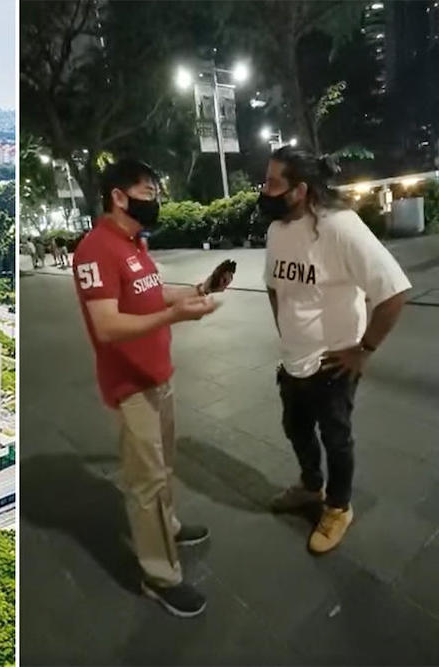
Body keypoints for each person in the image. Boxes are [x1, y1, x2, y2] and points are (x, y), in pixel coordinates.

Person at [72, 158, 235, 618]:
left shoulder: (133, 244)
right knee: (145, 480)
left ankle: (170, 524)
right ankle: (160, 576)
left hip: (158, 374)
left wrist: (195, 291)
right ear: (118, 197)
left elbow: (150, 292)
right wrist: (175, 316)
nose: (156, 200)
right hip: (130, 384)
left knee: (164, 465)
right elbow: (106, 327)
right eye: (148, 191)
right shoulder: (95, 250)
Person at [261, 146, 411, 553]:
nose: (265, 189)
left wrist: (364, 349)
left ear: (301, 189)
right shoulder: (276, 232)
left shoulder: (341, 227)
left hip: (334, 364)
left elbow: (394, 292)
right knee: (295, 428)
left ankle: (339, 506)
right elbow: (274, 287)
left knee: (336, 438)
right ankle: (311, 486)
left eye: (274, 182)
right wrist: (287, 330)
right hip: (292, 360)